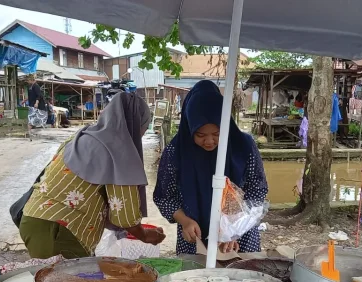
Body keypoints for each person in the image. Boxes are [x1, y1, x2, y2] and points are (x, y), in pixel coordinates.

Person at [19, 92, 165, 258]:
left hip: (33, 218)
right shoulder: (120, 151)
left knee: (55, 274)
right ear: (137, 124)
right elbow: (125, 215)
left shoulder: (82, 135)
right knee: (69, 275)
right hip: (60, 230)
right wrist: (144, 235)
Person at [154, 80, 268, 255]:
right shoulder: (176, 151)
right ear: (190, 128)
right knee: (196, 272)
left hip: (239, 236)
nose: (209, 141)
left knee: (240, 272)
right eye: (200, 135)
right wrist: (184, 221)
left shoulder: (244, 146)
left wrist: (233, 229)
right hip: (194, 235)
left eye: (217, 134)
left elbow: (257, 191)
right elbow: (164, 197)